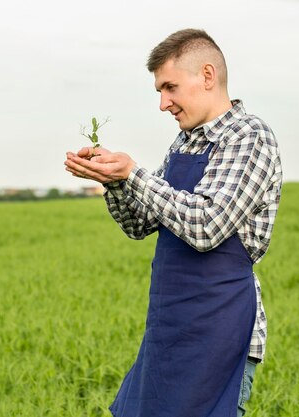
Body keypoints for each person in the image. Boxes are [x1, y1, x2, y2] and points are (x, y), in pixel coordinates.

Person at [64, 28, 282, 417]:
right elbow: (140, 225)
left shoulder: (249, 136)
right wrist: (114, 183)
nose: (164, 103)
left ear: (208, 76)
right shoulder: (184, 144)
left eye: (170, 87)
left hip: (219, 332)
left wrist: (133, 173)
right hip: (169, 327)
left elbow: (207, 226)